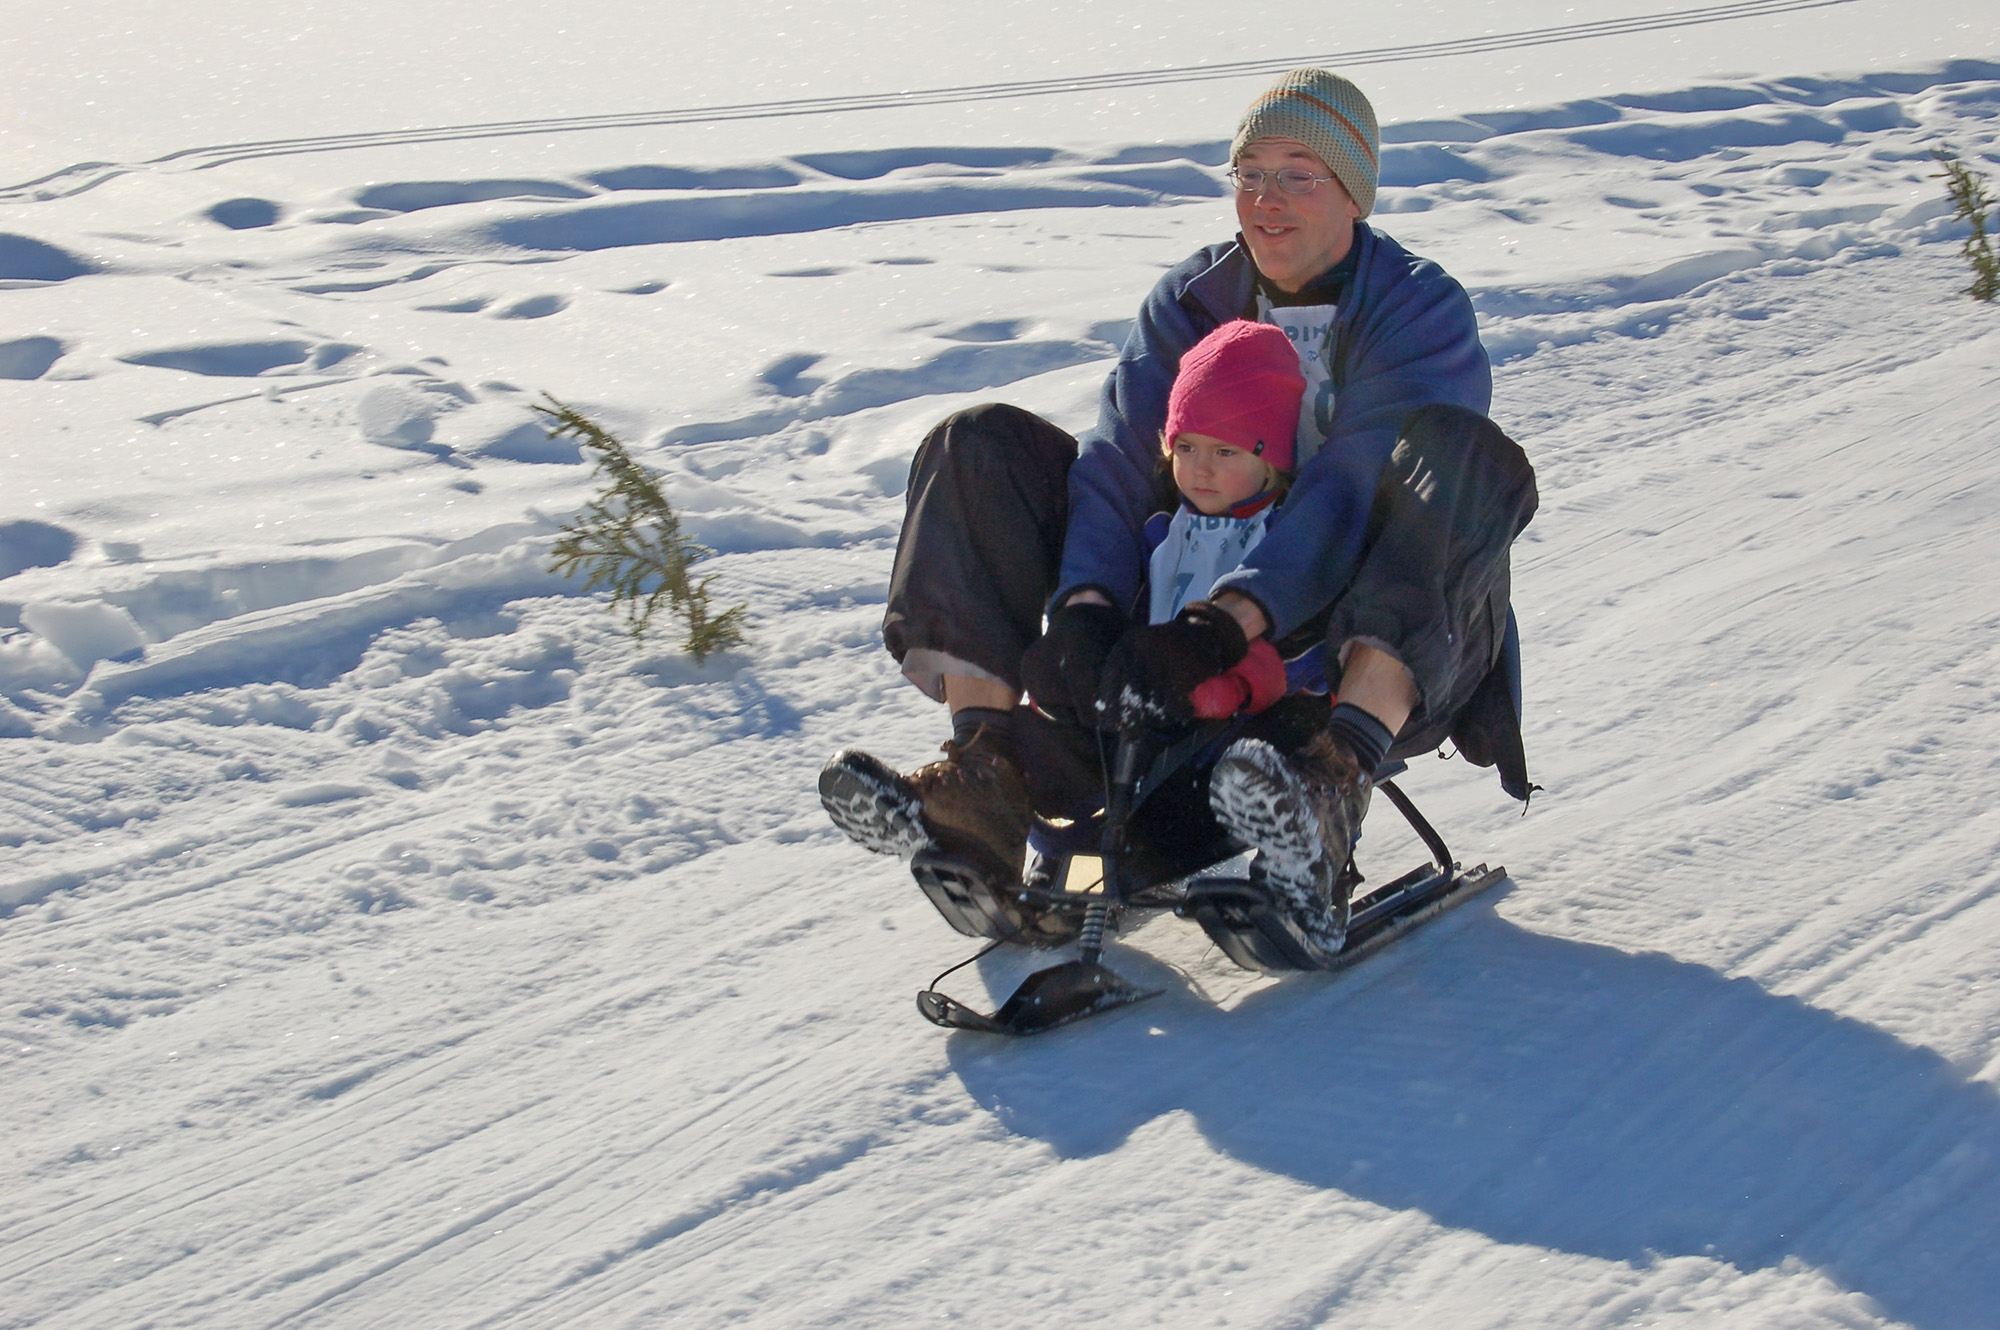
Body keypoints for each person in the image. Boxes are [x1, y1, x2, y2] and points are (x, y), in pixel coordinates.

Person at [819, 67, 1538, 966]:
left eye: (1298, 174)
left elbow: (1352, 486)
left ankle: (1328, 786)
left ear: (1354, 190)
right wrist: (1085, 608)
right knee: (980, 445)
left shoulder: (1415, 307)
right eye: (1249, 175)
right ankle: (988, 772)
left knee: (1458, 460)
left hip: (1364, 623)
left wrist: (1226, 623)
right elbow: (1122, 460)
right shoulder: (1192, 300)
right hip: (1184, 594)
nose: (1267, 202)